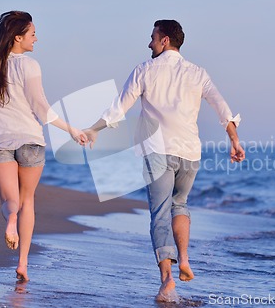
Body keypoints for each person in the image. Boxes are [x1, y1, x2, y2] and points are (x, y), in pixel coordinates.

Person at [83, 19, 245, 301]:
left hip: (157, 150)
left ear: (165, 40)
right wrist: (234, 139)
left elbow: (118, 108)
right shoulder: (198, 73)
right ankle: (183, 258)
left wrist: (93, 129)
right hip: (190, 152)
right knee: (179, 204)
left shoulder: (145, 70)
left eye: (152, 38)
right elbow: (221, 105)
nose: (149, 43)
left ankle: (168, 279)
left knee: (159, 212)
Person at [0, 11, 87, 281]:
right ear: (18, 37)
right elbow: (41, 108)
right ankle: (23, 263)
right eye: (33, 34)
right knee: (28, 201)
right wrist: (71, 129)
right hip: (30, 140)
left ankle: (10, 219)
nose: (37, 38)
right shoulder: (29, 65)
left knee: (10, 202)